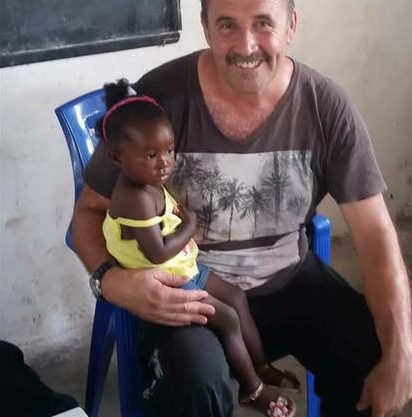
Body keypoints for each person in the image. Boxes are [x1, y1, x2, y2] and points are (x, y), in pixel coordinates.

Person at [73, 0, 412, 417]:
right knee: (196, 385)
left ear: (291, 25)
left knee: (374, 359)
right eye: (227, 24)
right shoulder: (157, 103)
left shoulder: (325, 106)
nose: (246, 45)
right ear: (205, 26)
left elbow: (376, 233)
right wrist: (109, 281)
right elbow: (89, 212)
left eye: (263, 23)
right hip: (192, 291)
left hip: (289, 280)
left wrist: (403, 352)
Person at [99, 79, 298, 417]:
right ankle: (252, 389)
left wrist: (182, 230)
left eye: (169, 150)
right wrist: (190, 225)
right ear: (117, 158)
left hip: (183, 266)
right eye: (151, 155)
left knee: (235, 296)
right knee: (229, 319)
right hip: (168, 281)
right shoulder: (132, 197)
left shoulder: (147, 181)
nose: (164, 163)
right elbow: (157, 252)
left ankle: (261, 366)